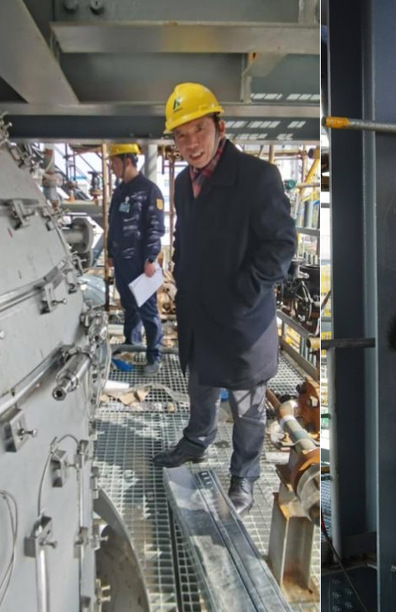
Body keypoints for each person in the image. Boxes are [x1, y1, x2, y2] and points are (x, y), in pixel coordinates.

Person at [151, 82, 296, 516]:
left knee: (247, 406)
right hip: (198, 312)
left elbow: (281, 246)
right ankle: (197, 440)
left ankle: (244, 475)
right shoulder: (183, 182)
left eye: (199, 129)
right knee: (200, 385)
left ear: (220, 126)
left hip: (241, 320)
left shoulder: (257, 178)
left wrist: (243, 294)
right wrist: (180, 274)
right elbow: (186, 235)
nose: (191, 143)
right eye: (181, 135)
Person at [107, 143, 165, 376]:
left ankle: (154, 356)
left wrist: (151, 258)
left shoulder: (149, 190)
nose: (112, 167)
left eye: (114, 162)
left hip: (140, 262)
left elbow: (155, 228)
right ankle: (132, 345)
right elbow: (113, 223)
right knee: (129, 305)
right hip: (122, 260)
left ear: (127, 161)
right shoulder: (120, 190)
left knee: (148, 310)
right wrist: (110, 253)